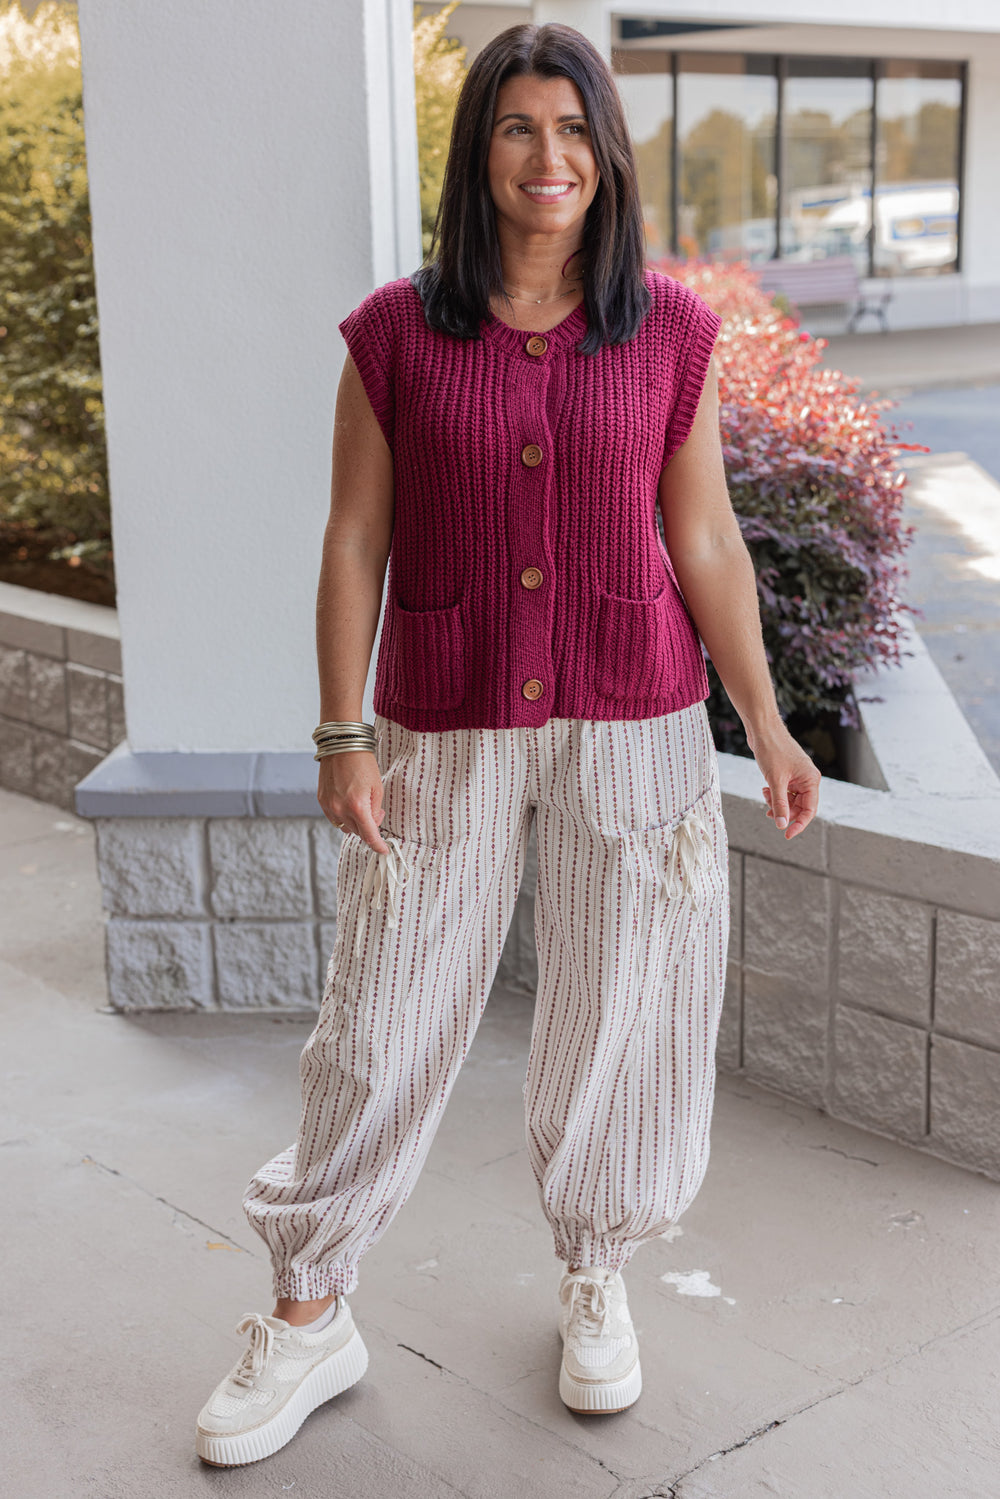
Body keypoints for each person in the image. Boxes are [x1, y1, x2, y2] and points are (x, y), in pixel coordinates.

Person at [195, 21, 820, 1467]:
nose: (552, 160)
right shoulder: (397, 334)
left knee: (623, 1013)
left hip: (638, 718)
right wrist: (342, 729)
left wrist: (768, 722)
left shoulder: (667, 332)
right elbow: (355, 535)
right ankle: (309, 1309)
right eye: (520, 130)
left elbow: (703, 535)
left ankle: (597, 1269)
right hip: (442, 721)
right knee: (383, 1013)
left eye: (577, 131)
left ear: (608, 158)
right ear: (480, 154)